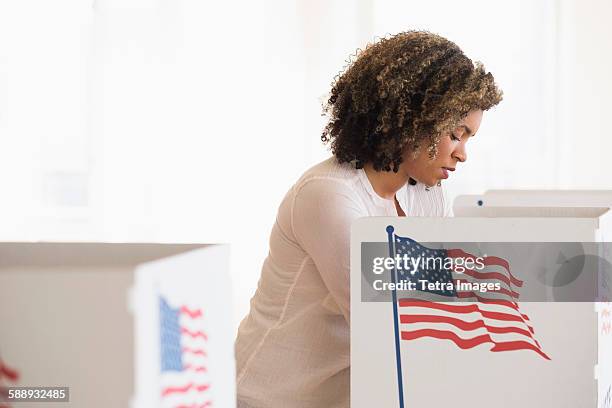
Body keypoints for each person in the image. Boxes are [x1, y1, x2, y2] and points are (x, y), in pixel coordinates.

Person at [235, 30, 502, 408]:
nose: (462, 155)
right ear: (414, 118)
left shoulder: (423, 192)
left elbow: (441, 304)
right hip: (273, 399)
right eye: (457, 135)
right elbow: (393, 326)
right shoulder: (329, 194)